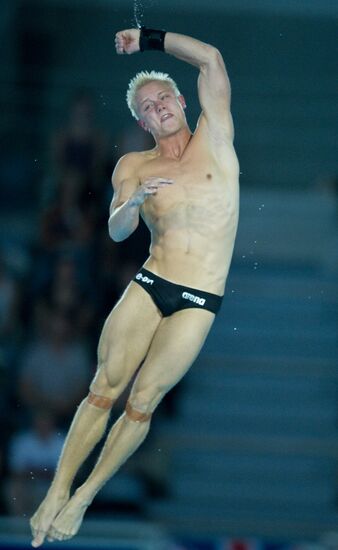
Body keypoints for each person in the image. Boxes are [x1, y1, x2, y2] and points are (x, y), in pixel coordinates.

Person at [30, 26, 240, 546]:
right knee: (103, 389)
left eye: (165, 96)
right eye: (148, 105)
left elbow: (211, 57)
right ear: (141, 120)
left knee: (143, 401)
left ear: (182, 102)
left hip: (198, 297)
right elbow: (117, 228)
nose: (159, 106)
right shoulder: (133, 165)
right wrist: (134, 200)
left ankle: (84, 497)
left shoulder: (216, 136)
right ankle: (57, 490)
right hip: (151, 281)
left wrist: (148, 39)